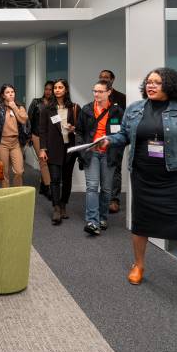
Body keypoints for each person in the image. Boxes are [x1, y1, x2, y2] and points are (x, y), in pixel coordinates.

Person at [95, 67, 177, 309]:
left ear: (170, 85)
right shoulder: (135, 108)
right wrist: (108, 140)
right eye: (149, 82)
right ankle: (138, 265)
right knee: (141, 222)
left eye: (157, 83)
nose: (151, 86)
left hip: (176, 176)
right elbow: (124, 136)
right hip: (143, 174)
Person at [76, 80, 125, 236]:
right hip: (91, 153)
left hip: (109, 154)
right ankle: (92, 220)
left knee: (106, 189)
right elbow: (79, 132)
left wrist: (117, 152)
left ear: (109, 92)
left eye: (100, 91)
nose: (96, 94)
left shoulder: (117, 111)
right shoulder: (87, 109)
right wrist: (83, 151)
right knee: (92, 186)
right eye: (94, 91)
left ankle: (103, 218)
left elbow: (123, 135)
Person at [37, 79, 80, 225]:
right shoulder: (47, 109)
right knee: (55, 179)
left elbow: (80, 128)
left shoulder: (74, 107)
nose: (57, 90)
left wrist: (74, 129)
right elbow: (42, 130)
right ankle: (55, 207)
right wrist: (42, 149)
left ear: (66, 90)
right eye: (55, 87)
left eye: (60, 87)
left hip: (70, 149)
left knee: (67, 179)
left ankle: (63, 205)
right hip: (53, 148)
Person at [0, 83, 29, 188]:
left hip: (16, 143)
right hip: (1, 143)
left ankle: (17, 193)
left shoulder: (20, 107)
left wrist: (14, 107)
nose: (11, 94)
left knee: (19, 171)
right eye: (7, 92)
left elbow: (23, 120)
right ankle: (6, 195)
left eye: (12, 92)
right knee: (4, 172)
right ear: (2, 95)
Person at [100, 69, 127, 214]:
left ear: (113, 79)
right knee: (101, 167)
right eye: (101, 77)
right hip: (100, 139)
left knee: (115, 168)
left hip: (117, 139)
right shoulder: (98, 96)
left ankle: (114, 200)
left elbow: (126, 120)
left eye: (106, 77)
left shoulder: (122, 98)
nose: (104, 79)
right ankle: (104, 197)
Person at [28, 81, 55, 201]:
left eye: (51, 89)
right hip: (37, 135)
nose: (48, 91)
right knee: (43, 161)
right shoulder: (36, 102)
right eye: (46, 89)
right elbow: (28, 119)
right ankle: (49, 188)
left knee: (49, 162)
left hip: (51, 137)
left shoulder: (55, 104)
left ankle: (44, 186)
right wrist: (28, 135)